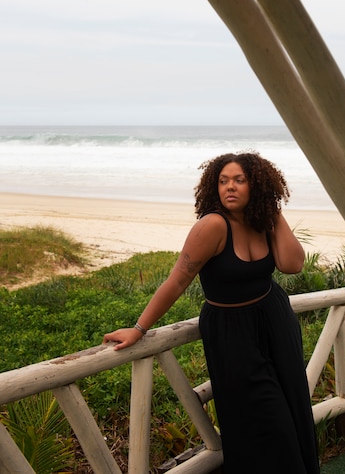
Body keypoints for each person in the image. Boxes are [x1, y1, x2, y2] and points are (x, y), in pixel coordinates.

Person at [103, 152, 320, 473]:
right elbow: (177, 281)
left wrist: (273, 210)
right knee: (268, 422)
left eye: (239, 180)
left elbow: (292, 265)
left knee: (292, 406)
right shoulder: (212, 226)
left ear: (256, 186)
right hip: (233, 334)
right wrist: (139, 328)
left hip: (275, 320)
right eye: (223, 181)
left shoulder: (261, 220)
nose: (229, 187)